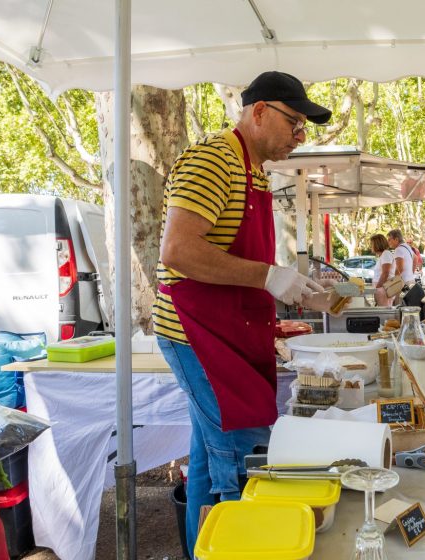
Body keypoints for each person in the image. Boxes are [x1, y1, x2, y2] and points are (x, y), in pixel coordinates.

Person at [152, 71, 331, 552]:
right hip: (198, 335)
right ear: (258, 111)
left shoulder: (254, 170)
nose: (301, 135)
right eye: (294, 122)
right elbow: (178, 250)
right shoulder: (214, 158)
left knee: (209, 467)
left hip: (229, 332)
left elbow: (231, 252)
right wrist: (268, 277)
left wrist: (290, 288)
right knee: (243, 457)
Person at [387, 228, 425, 319]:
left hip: (402, 283)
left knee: (398, 308)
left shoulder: (398, 250)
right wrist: (411, 272)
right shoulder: (406, 246)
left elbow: (399, 269)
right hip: (410, 280)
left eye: (390, 239)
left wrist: (392, 282)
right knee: (410, 307)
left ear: (396, 239)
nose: (388, 242)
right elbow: (416, 258)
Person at [370, 233, 395, 306]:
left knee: (383, 311)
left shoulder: (386, 254)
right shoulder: (383, 255)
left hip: (383, 288)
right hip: (382, 288)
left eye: (372, 244)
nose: (370, 246)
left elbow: (385, 273)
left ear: (377, 244)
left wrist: (378, 287)